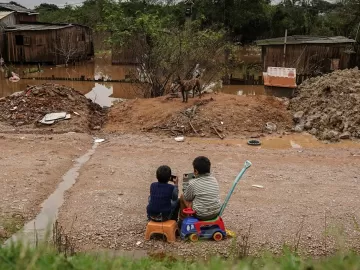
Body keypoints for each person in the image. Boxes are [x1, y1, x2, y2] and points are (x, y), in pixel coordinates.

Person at [179, 156, 221, 225]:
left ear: (196, 171)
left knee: (182, 196)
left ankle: (182, 222)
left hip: (201, 215)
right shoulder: (214, 179)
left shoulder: (193, 183)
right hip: (216, 212)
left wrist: (186, 186)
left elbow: (187, 197)